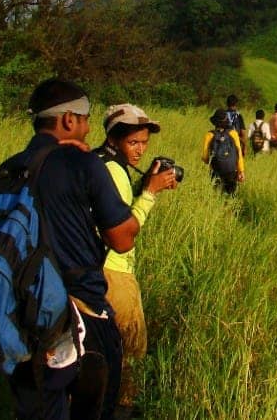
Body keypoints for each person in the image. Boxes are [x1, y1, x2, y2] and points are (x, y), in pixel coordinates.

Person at [9, 78, 139, 420]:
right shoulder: (83, 164)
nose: (86, 130)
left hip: (23, 315)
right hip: (81, 309)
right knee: (97, 406)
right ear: (69, 120)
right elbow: (123, 239)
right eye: (85, 120)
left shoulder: (10, 167)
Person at [94, 104, 177, 419]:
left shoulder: (96, 161)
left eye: (144, 142)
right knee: (131, 349)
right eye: (133, 142)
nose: (141, 149)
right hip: (114, 271)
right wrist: (150, 194)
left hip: (89, 271)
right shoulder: (114, 170)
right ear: (113, 138)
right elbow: (122, 233)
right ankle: (122, 409)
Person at [202, 108, 245, 194]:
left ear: (214, 122)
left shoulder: (209, 135)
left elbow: (205, 158)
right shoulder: (233, 133)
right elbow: (238, 154)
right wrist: (241, 171)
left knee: (216, 195)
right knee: (231, 196)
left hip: (216, 171)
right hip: (231, 171)